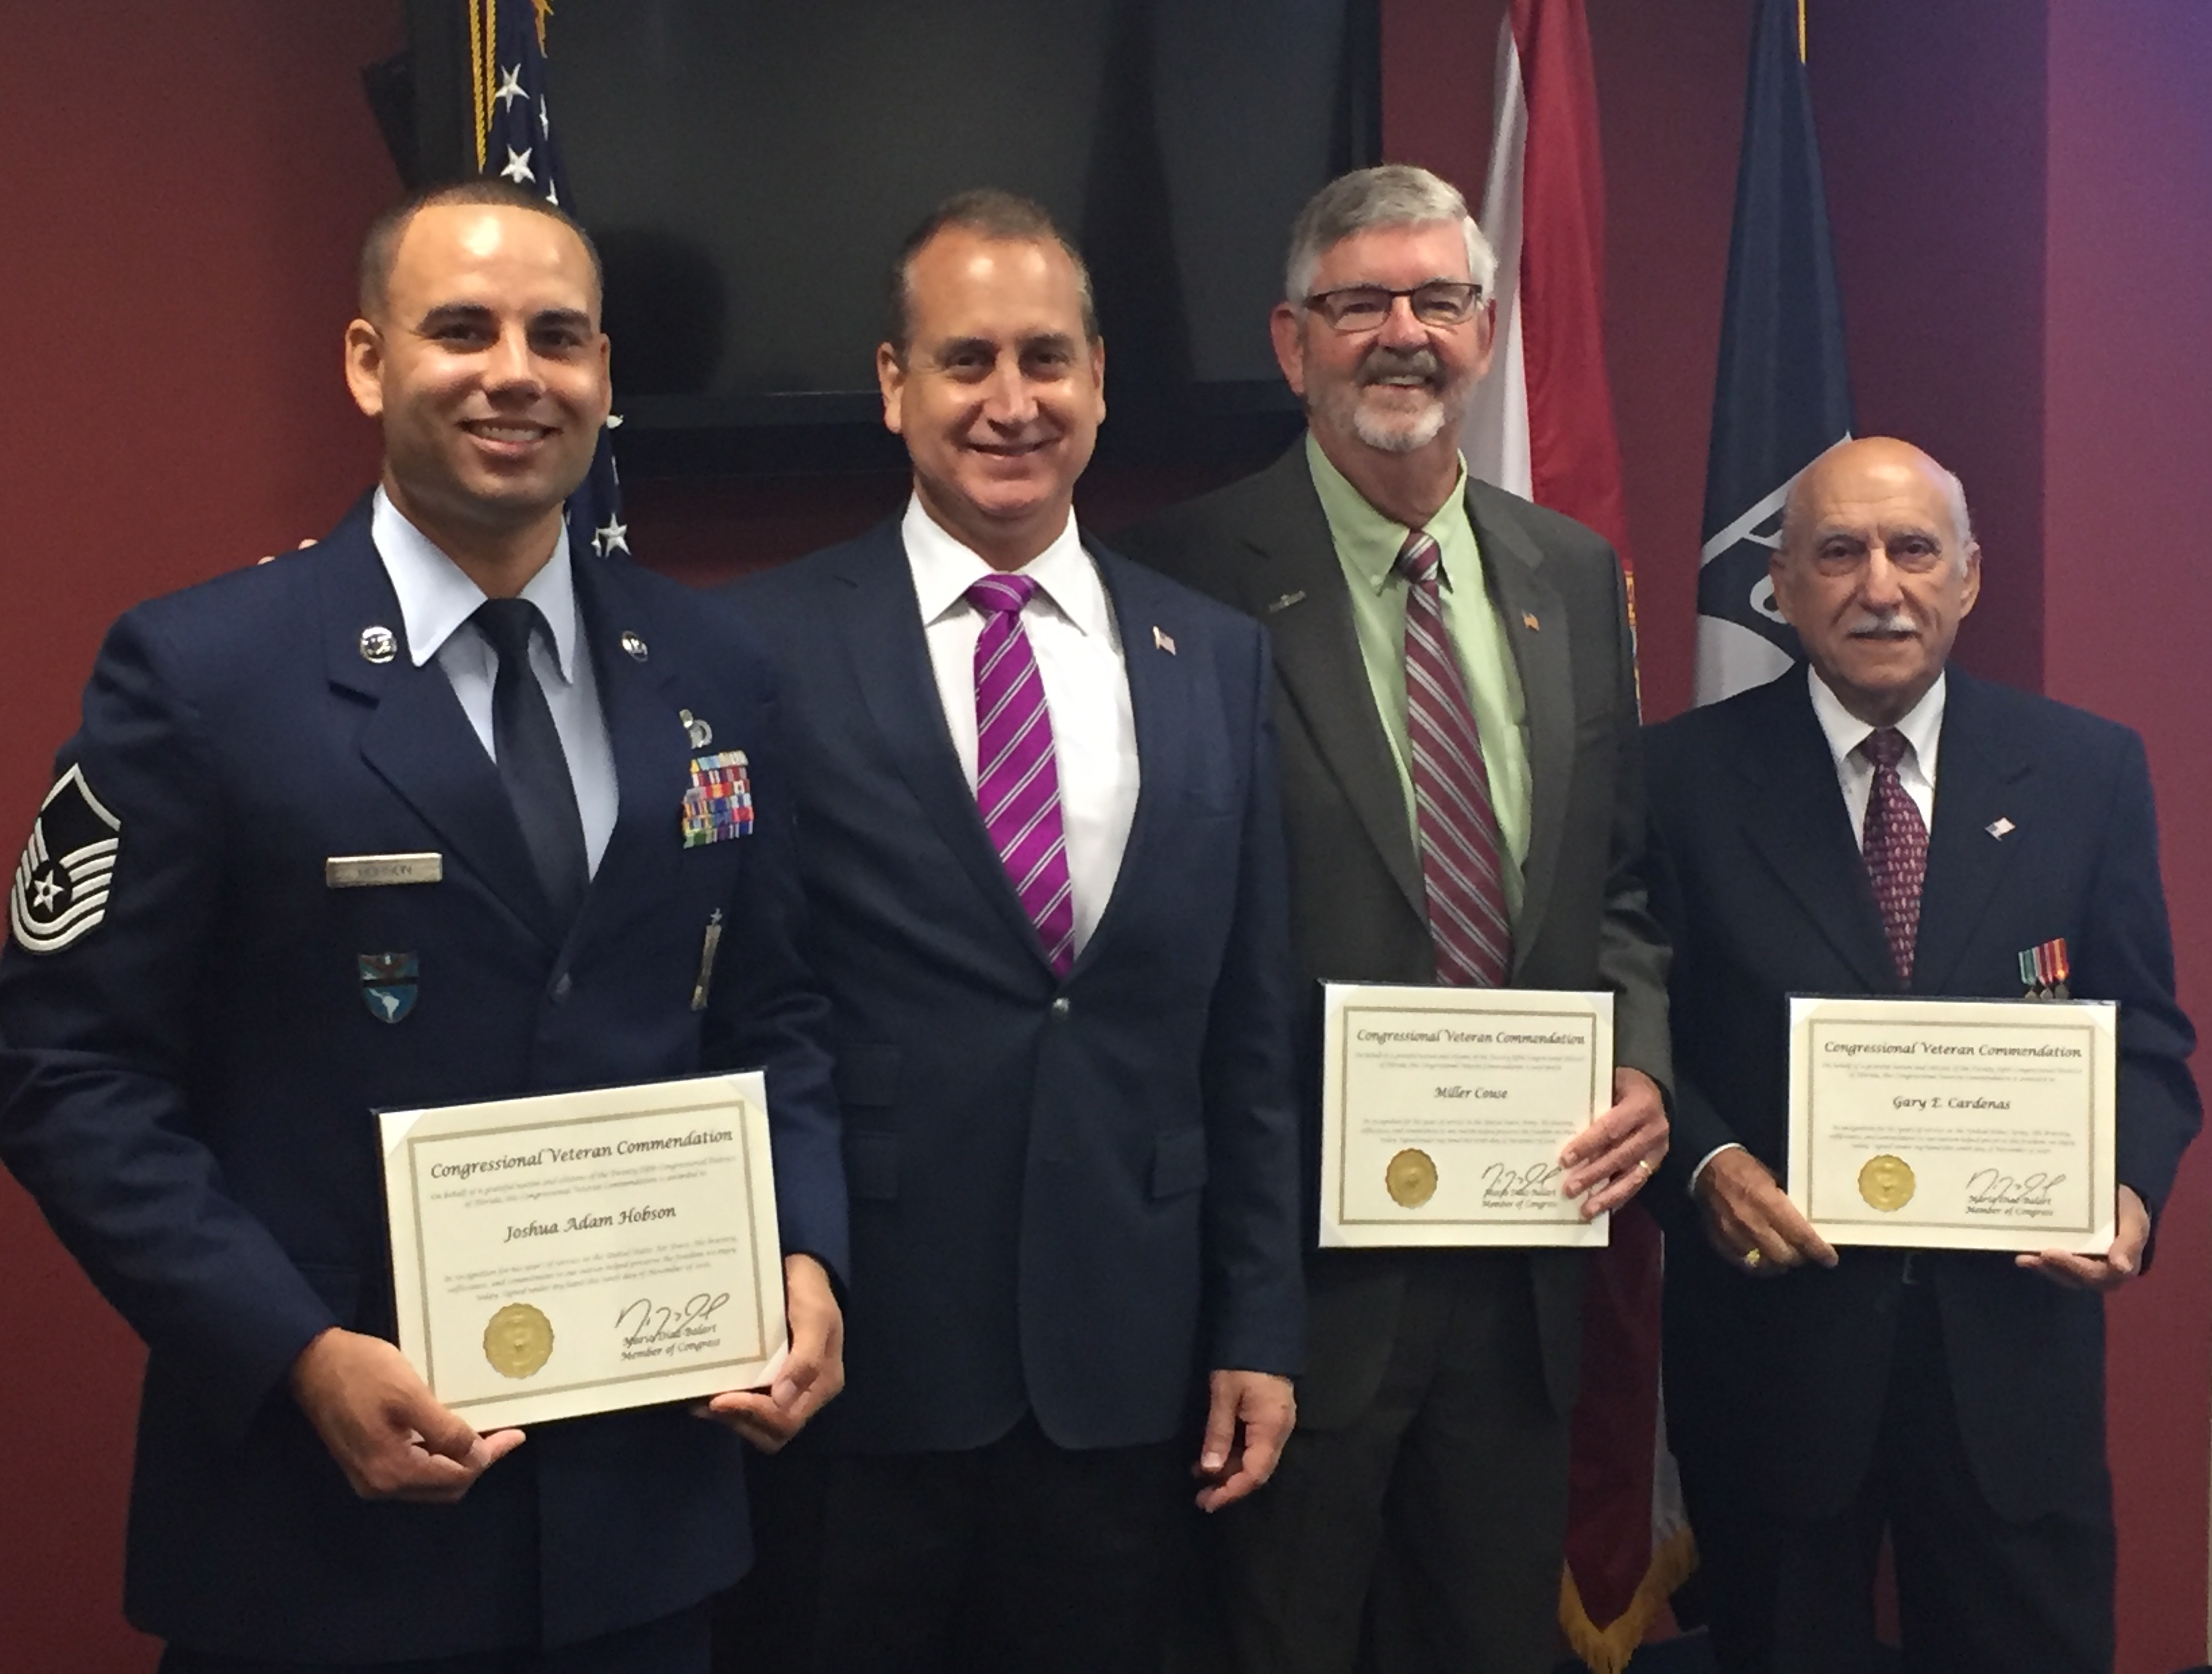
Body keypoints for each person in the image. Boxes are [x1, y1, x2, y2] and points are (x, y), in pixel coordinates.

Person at [0, 179, 849, 1674]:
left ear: (603, 377)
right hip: (321, 1532)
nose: (516, 372)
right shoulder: (202, 676)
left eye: (559, 336)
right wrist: (293, 1355)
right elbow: (65, 1070)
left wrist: (808, 1261)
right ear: (366, 361)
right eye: (461, 330)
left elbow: (773, 1015)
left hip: (641, 1527)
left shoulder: (715, 669)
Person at [721, 190, 1305, 1674]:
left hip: (1133, 1363)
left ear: (1101, 379)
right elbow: (742, 1006)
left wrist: (1259, 1323)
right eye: (965, 360)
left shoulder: (1215, 656)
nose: (1010, 402)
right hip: (861, 1364)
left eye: (1046, 359)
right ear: (893, 385)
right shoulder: (760, 647)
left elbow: (1245, 1032)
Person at [1121, 163, 1672, 1674]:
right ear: (1292, 342)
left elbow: (1613, 888)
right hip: (1292, 1287)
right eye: (1360, 302)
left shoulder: (1572, 571)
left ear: (1487, 331)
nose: (1403, 333)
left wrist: (1642, 1064)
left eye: (1438, 299)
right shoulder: (1178, 580)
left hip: (1521, 1270)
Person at [1640, 436, 2200, 1674]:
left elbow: (2150, 1037)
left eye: (1912, 550)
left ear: (1970, 577)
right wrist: (1708, 1163)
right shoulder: (1673, 778)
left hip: (2015, 1361)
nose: (1879, 586)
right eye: (1837, 553)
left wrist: (2129, 1198)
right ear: (1777, 586)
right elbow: (1637, 1035)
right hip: (1776, 1364)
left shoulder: (2087, 770)